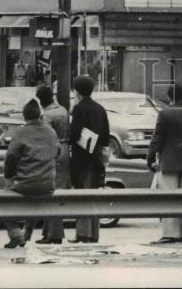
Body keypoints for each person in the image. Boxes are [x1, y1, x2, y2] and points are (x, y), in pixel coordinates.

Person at [146, 83, 182, 245]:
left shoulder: (164, 114)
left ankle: (170, 233)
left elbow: (157, 139)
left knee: (169, 197)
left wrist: (150, 158)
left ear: (170, 97)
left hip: (169, 161)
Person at [1, 98, 60, 248]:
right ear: (40, 115)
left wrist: (9, 177)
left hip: (25, 184)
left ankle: (16, 235)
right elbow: (57, 152)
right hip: (48, 185)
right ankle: (26, 234)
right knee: (36, 202)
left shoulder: (21, 133)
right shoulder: (51, 132)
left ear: (25, 116)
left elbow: (11, 158)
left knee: (1, 203)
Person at [69, 74, 110, 244]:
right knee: (94, 196)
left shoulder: (79, 109)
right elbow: (106, 135)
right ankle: (93, 234)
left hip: (82, 159)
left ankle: (83, 234)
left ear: (77, 92)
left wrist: (70, 141)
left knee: (83, 195)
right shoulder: (100, 109)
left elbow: (75, 133)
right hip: (97, 159)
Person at [34, 84, 70, 244]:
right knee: (59, 192)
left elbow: (47, 138)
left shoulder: (47, 116)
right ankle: (49, 232)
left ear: (41, 100)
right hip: (65, 150)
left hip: (54, 152)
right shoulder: (63, 110)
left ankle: (54, 234)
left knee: (51, 193)